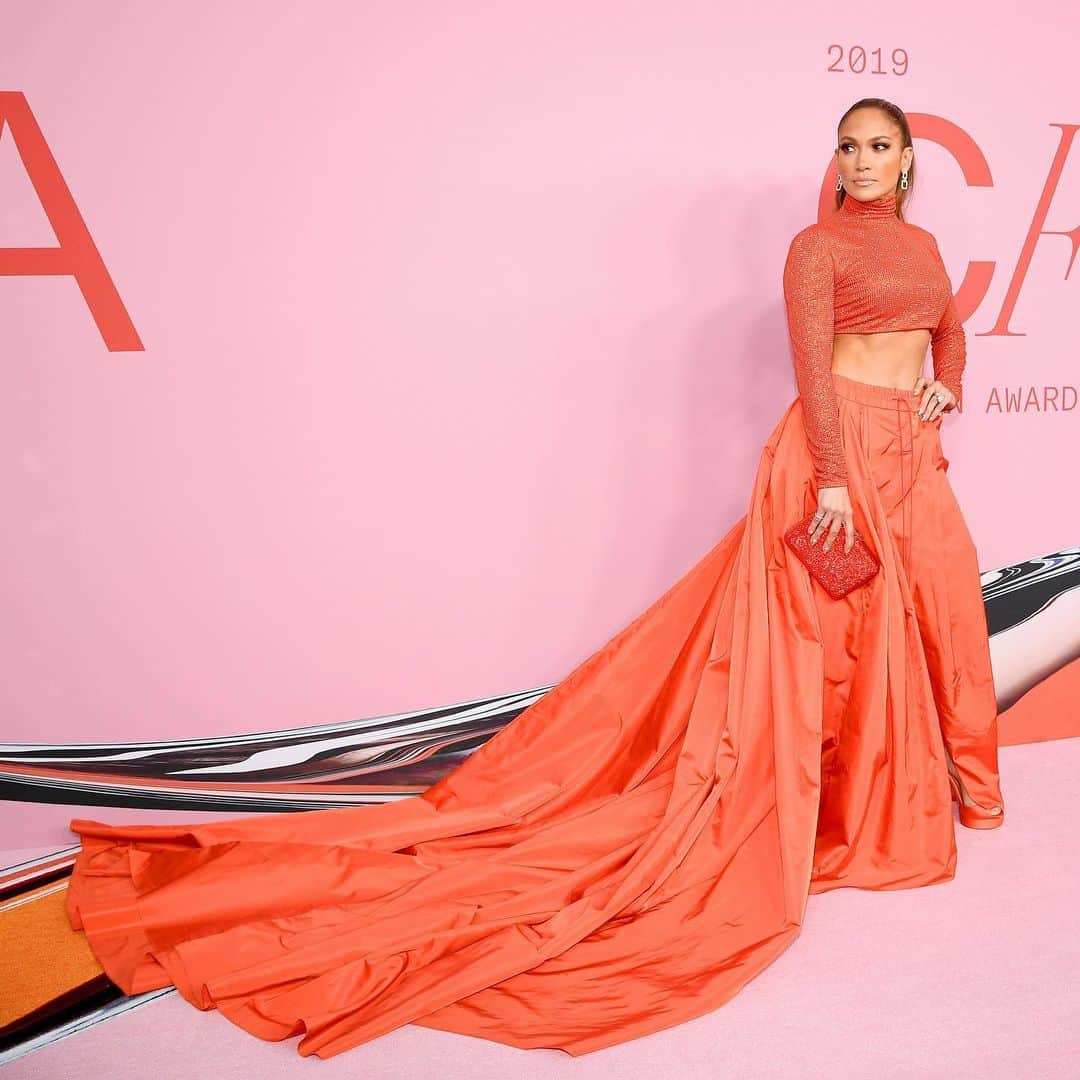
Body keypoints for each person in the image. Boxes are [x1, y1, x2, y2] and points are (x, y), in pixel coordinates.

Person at [64, 96, 1004, 1060]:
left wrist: (948, 386)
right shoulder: (817, 248)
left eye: (878, 147)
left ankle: (892, 803)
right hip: (832, 459)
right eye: (847, 146)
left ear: (905, 162)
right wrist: (837, 482)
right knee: (809, 654)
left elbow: (951, 334)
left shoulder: (925, 252)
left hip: (909, 456)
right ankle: (801, 813)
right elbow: (812, 368)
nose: (860, 161)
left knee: (913, 624)